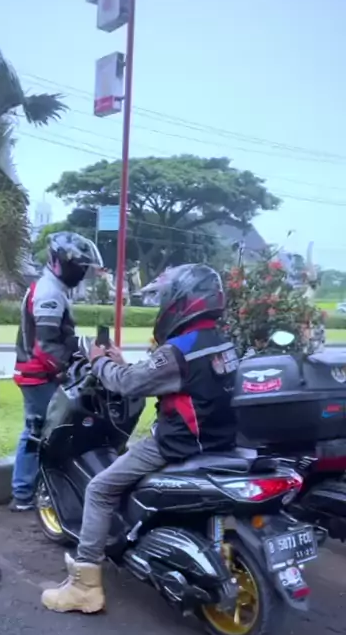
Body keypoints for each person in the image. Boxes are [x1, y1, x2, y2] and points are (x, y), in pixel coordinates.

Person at [42, 263, 239, 614]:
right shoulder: (222, 342)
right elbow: (167, 379)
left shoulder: (179, 349)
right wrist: (122, 361)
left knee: (100, 489)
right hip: (218, 441)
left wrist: (99, 361)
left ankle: (85, 586)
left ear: (182, 301)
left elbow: (129, 384)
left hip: (176, 444)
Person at [10, 231, 103, 512]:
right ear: (60, 262)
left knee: (42, 429)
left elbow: (58, 339)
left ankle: (31, 488)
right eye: (78, 266)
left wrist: (83, 349)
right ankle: (23, 493)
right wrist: (67, 368)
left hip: (39, 373)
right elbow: (46, 345)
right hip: (37, 375)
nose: (81, 272)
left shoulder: (54, 288)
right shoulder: (49, 292)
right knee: (37, 431)